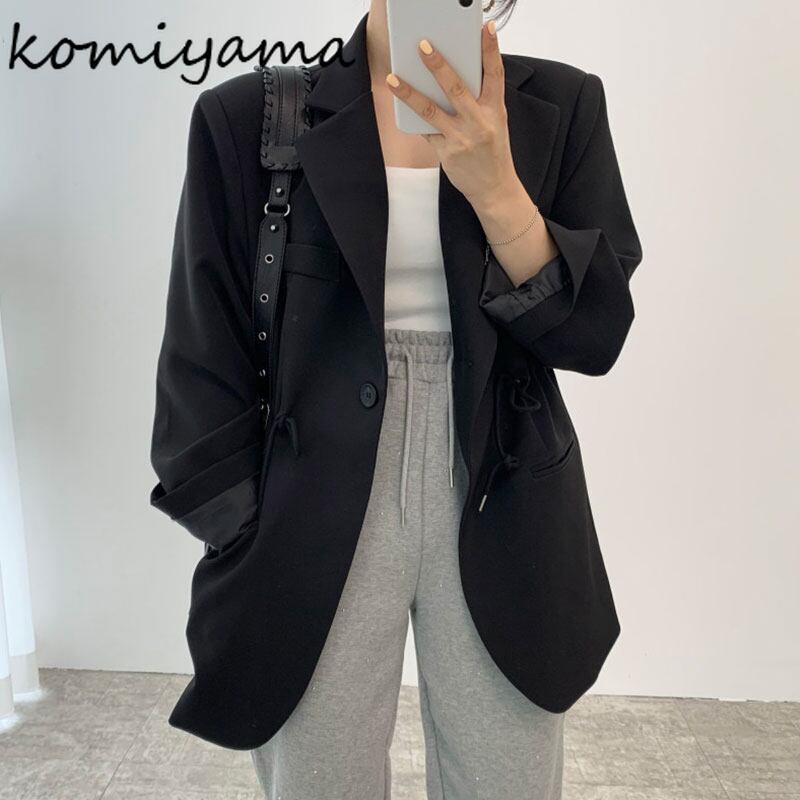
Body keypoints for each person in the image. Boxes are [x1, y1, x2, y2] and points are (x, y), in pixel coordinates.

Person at [148, 1, 643, 798]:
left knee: (508, 783)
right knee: (320, 783)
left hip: (500, 485)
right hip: (309, 493)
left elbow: (596, 336)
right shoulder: (251, 118)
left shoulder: (561, 105)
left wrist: (498, 189)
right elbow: (202, 347)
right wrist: (242, 524)